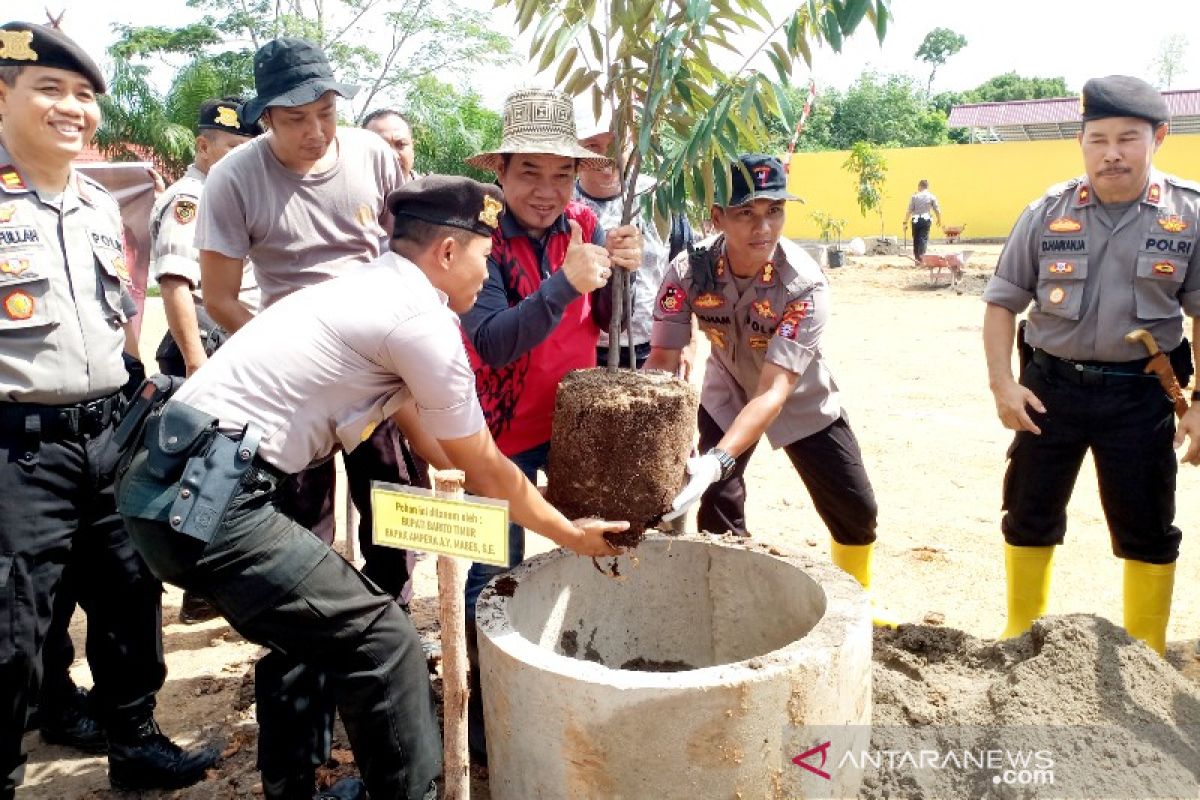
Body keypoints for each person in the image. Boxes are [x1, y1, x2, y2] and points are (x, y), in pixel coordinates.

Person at [116, 176, 626, 800]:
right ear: (445, 253)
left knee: (308, 631)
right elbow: (485, 463)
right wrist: (568, 533)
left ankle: (292, 787)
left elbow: (432, 442)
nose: (483, 273)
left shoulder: (365, 289)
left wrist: (494, 493)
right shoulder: (418, 320)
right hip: (216, 502)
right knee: (385, 642)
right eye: (483, 258)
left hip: (168, 487)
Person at [0, 21, 219, 796]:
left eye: (85, 95)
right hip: (17, 450)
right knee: (12, 620)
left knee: (130, 591)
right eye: (49, 90)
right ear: (3, 94)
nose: (73, 108)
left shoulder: (98, 204)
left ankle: (135, 741)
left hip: (108, 435)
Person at [983, 75, 1200, 656]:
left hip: (1143, 394)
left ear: (1158, 137)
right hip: (1050, 389)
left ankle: (1147, 649)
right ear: (1081, 141)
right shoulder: (1046, 212)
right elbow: (1002, 303)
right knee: (1029, 508)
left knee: (1148, 523)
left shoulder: (1189, 214)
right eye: (1097, 138)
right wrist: (1004, 385)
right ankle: (1021, 635)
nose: (1111, 153)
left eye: (1127, 138)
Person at [459, 87, 642, 759]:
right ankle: (486, 716)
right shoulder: (479, 240)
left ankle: (587, 680)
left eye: (561, 173)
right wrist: (564, 283)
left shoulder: (585, 229)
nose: (546, 189)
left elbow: (609, 325)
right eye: (529, 172)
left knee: (586, 551)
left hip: (572, 430)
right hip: (495, 440)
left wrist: (622, 274)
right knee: (491, 577)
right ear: (500, 174)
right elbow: (493, 343)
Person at [646, 154, 890, 625]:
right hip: (728, 391)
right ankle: (727, 602)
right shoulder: (688, 271)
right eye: (746, 214)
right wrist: (646, 430)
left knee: (856, 509)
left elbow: (775, 391)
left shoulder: (804, 284)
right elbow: (661, 357)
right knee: (718, 501)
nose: (764, 227)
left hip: (800, 398)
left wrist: (717, 459)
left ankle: (857, 608)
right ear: (716, 217)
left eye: (774, 211)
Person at [149, 96, 263, 624]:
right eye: (234, 149)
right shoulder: (189, 199)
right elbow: (176, 285)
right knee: (197, 473)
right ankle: (197, 590)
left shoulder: (229, 195)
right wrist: (198, 365)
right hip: (201, 350)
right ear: (203, 146)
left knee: (225, 471)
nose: (244, 159)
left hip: (228, 349)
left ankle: (212, 584)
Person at [573, 107, 682, 370]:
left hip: (656, 350)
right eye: (593, 146)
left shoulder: (659, 198)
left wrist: (688, 341)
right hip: (584, 352)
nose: (607, 157)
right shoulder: (562, 206)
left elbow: (685, 271)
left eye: (616, 144)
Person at [363, 108, 417, 181]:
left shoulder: (433, 191)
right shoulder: (350, 191)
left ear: (412, 146)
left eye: (400, 144)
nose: (393, 156)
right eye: (380, 147)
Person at [902, 179, 942, 261]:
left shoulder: (914, 196)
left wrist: (905, 222)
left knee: (916, 239)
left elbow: (909, 210)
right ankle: (922, 259)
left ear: (920, 186)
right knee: (923, 239)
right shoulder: (931, 196)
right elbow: (937, 210)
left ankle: (917, 260)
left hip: (915, 220)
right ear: (927, 187)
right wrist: (939, 219)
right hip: (925, 219)